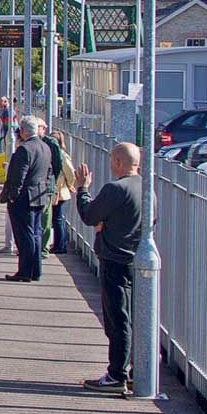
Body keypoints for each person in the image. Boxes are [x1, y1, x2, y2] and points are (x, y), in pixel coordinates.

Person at [73, 143, 144, 395]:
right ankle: (138, 371)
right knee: (134, 318)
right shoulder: (147, 190)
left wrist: (83, 189)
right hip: (136, 260)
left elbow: (89, 215)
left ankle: (116, 374)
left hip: (115, 259)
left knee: (118, 319)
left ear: (116, 162)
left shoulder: (116, 189)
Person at [0, 115, 52, 281]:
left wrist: (12, 196)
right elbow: (48, 172)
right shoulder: (45, 147)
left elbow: (18, 176)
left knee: (24, 235)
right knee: (35, 234)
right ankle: (35, 271)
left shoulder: (24, 149)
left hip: (24, 198)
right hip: (39, 196)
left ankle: (25, 271)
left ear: (22, 131)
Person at [43, 128, 75, 254]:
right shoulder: (57, 153)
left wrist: (70, 184)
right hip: (57, 189)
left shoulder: (61, 155)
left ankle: (60, 245)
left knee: (57, 218)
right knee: (55, 218)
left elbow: (70, 172)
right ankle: (58, 243)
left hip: (59, 191)